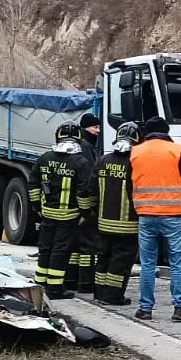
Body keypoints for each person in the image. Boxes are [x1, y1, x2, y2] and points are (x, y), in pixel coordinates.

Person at [130, 115, 181, 322]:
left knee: (148, 264)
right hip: (174, 216)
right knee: (177, 264)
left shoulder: (135, 152)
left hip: (146, 216)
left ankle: (145, 309)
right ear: (166, 131)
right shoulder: (176, 150)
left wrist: (138, 210)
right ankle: (180, 309)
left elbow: (129, 185)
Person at [29, 122, 88, 299]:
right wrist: (85, 213)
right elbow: (83, 192)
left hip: (47, 213)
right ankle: (55, 289)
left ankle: (40, 285)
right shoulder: (81, 162)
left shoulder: (45, 158)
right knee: (60, 251)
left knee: (45, 248)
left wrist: (36, 206)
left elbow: (33, 183)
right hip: (68, 216)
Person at [93, 122, 140, 304]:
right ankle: (113, 296)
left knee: (103, 257)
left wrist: (90, 213)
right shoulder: (135, 163)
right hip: (127, 225)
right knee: (120, 263)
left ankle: (99, 293)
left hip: (103, 223)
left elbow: (91, 189)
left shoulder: (102, 160)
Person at [69, 114, 103, 293]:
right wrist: (88, 208)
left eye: (98, 127)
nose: (97, 131)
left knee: (76, 244)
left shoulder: (82, 145)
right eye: (94, 127)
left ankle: (72, 280)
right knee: (89, 245)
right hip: (83, 203)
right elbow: (89, 178)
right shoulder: (85, 147)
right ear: (85, 128)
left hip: (75, 203)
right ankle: (86, 283)